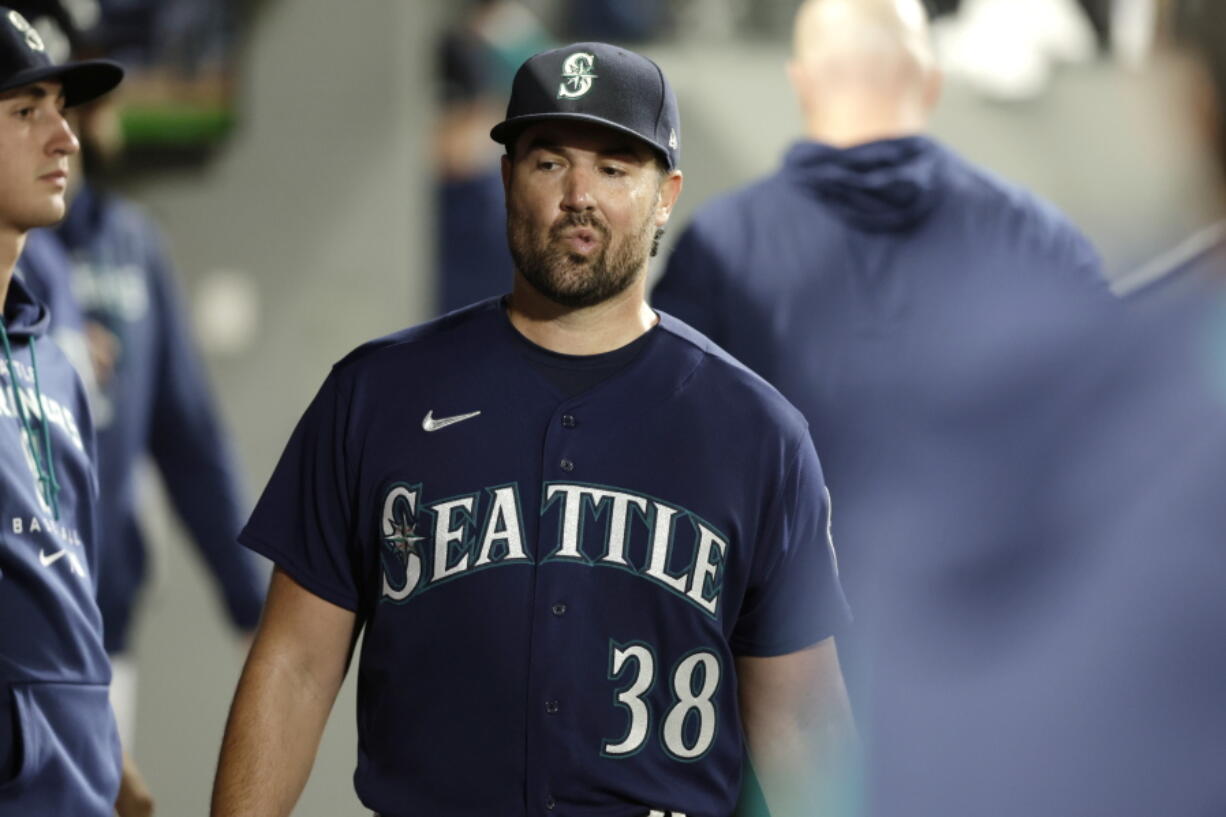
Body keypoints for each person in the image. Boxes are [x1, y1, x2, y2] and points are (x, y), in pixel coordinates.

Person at [211, 41, 855, 817]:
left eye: (616, 168)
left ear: (666, 194)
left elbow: (801, 723)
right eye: (549, 162)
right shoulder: (376, 392)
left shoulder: (758, 432)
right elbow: (296, 665)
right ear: (507, 177)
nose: (579, 194)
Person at [651, 0, 1111, 702]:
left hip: (772, 693)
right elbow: (1117, 460)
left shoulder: (719, 251)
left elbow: (663, 475)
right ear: (929, 80)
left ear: (802, 81)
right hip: (989, 681)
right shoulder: (1039, 242)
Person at [55, 86, 264, 750]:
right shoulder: (20, 251)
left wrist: (251, 601)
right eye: (27, 106)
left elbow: (189, 435)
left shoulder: (131, 244)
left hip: (101, 624)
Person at [0, 7, 132, 814]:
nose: (66, 139)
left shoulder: (52, 352)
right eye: (25, 111)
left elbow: (68, 583)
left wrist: (104, 746)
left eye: (61, 108)